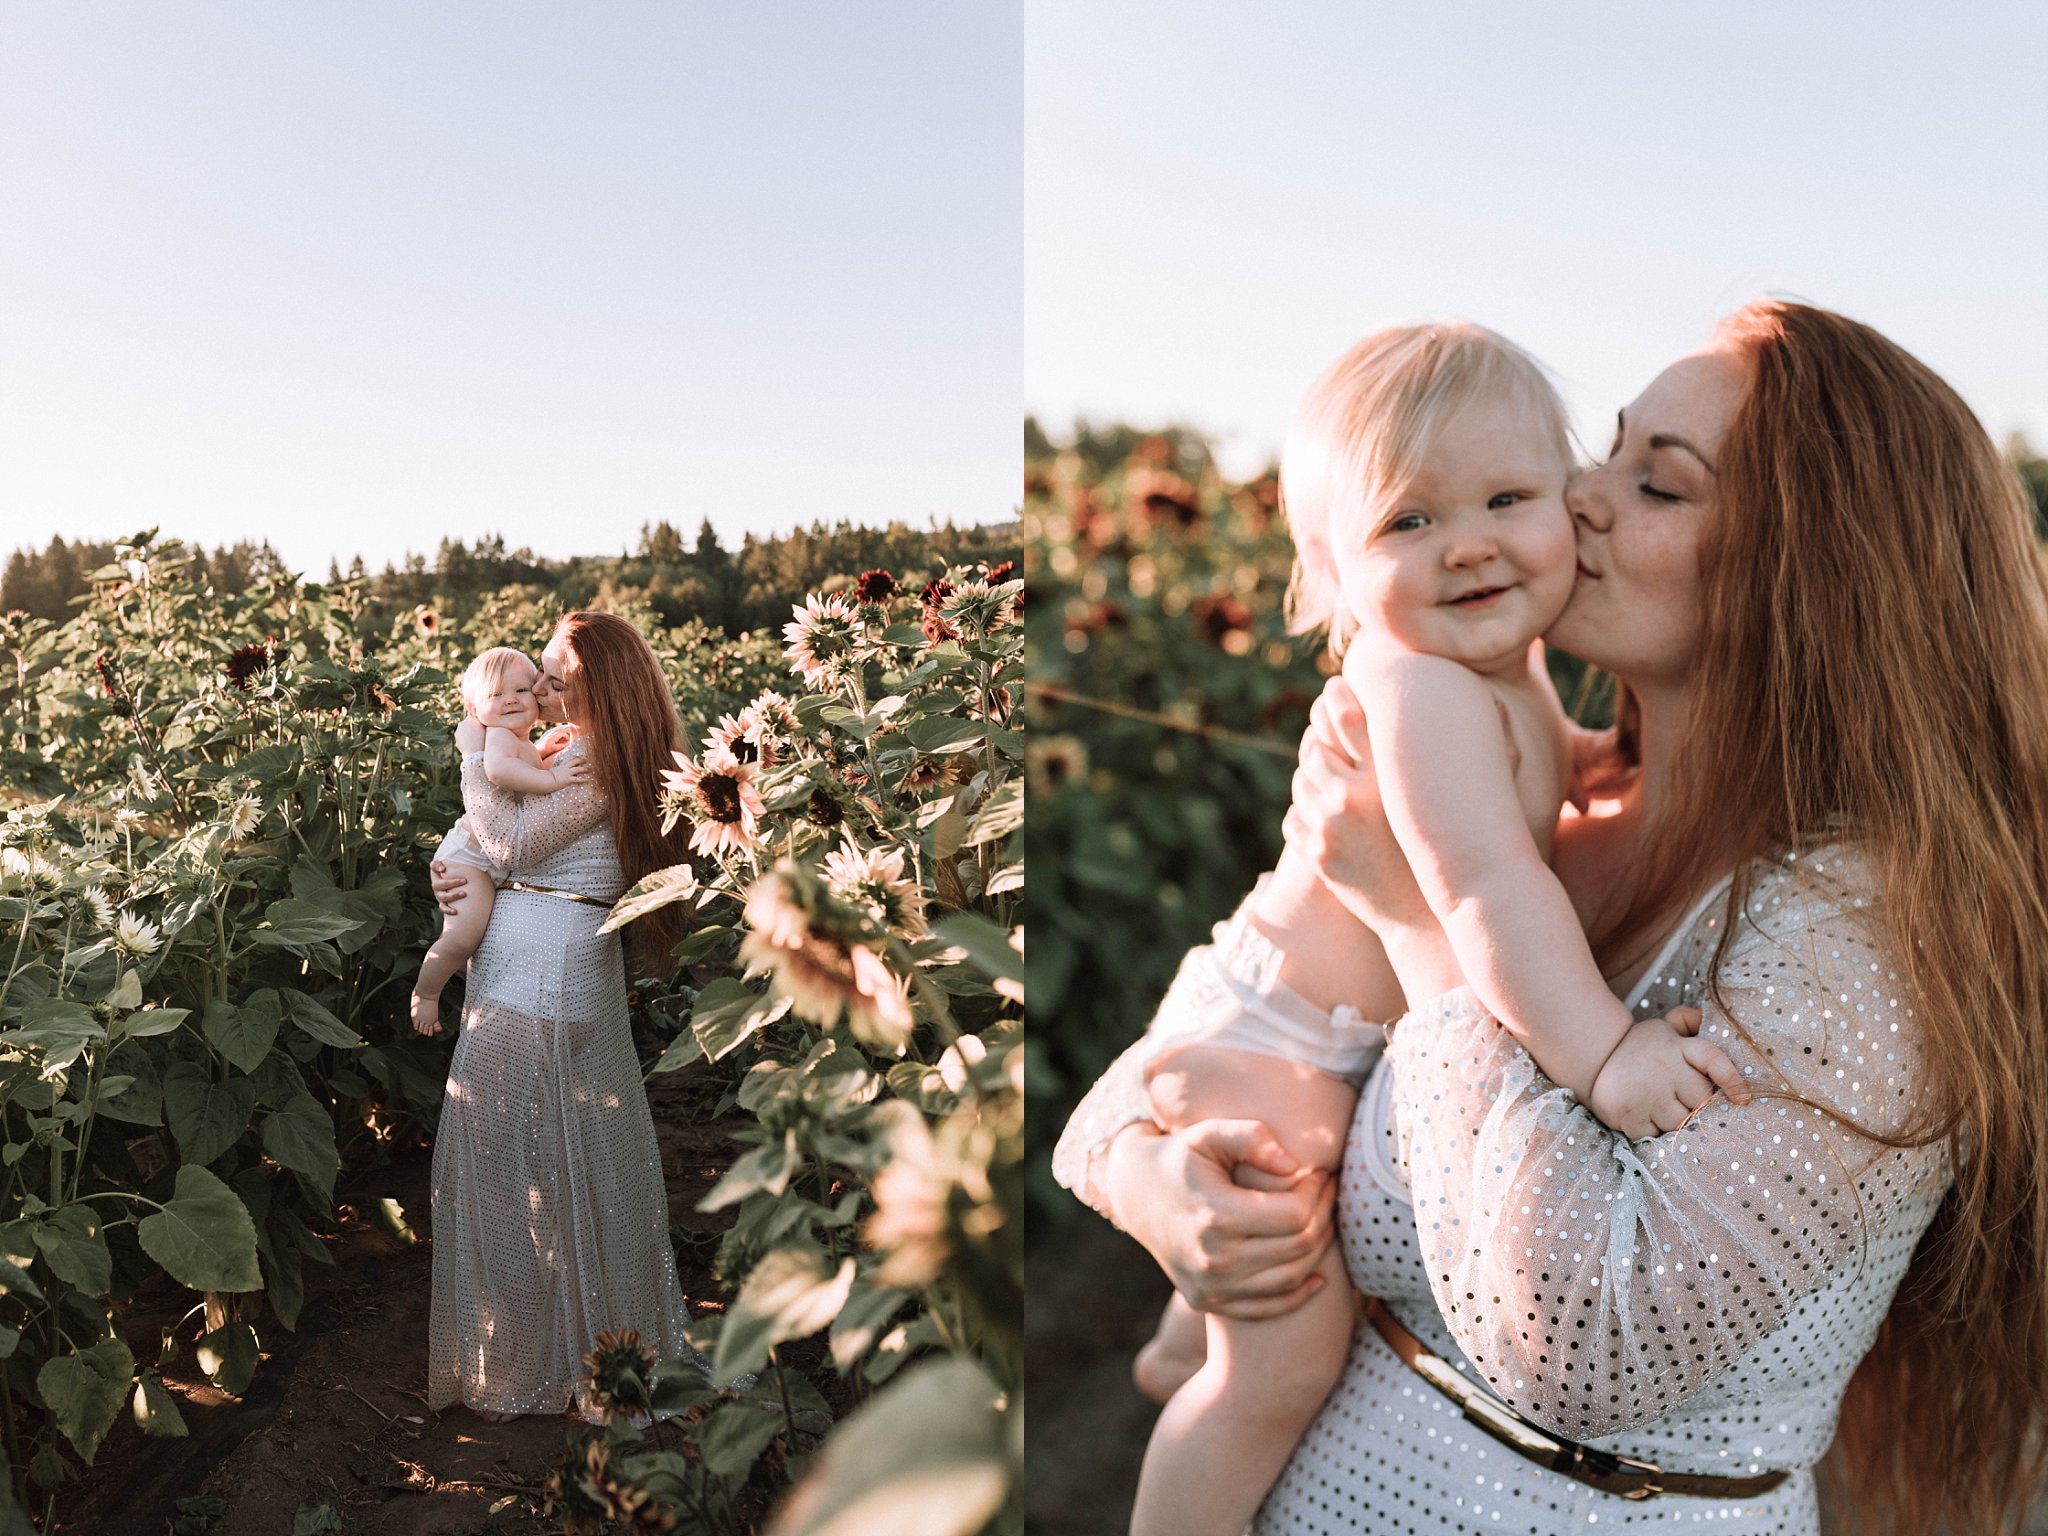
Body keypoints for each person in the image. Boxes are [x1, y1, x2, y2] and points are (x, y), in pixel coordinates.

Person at [1055, 301, 2048, 1535]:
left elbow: (1583, 1341)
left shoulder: (1864, 932)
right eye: (1605, 448)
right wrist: (1151, 1180)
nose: (1575, 496)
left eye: (1656, 484)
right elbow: (1208, 1027)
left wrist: (1418, 921)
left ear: (1812, 573)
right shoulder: (1541, 809)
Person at [1122, 323, 1745, 1536]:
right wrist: (1604, 1056)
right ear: (1326, 574)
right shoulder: (1414, 690)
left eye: (1506, 498)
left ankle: (1170, 1337)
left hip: (1321, 1033)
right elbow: (1478, 892)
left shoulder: (1501, 677)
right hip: (1282, 1048)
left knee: (1258, 1310)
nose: (1465, 545)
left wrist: (1601, 761)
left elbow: (1544, 776)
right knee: (1279, 1370)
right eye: (1405, 523)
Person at [424, 610, 708, 1423]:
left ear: (595, 687)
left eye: (555, 674)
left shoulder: (594, 757)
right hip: (545, 957)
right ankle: (572, 1346)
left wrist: (475, 752)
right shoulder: (577, 751)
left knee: (509, 1162)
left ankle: (527, 1361)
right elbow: (500, 851)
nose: (540, 688)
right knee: (560, 1160)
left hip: (544, 970)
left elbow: (511, 847)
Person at [410, 646, 589, 1038]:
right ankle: (425, 992)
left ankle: (453, 965)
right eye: (495, 694)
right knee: (461, 936)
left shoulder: (516, 739)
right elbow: (498, 770)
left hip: (487, 858)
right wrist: (553, 777)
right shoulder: (497, 739)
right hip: (471, 859)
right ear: (473, 709)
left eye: (521, 690)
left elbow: (516, 770)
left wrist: (543, 752)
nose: (511, 699)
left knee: (472, 934)